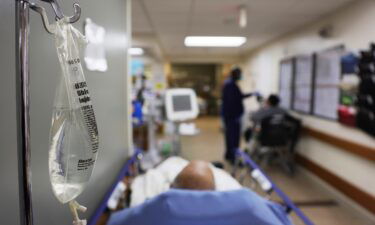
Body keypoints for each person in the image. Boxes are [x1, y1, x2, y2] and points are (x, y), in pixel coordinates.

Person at [221, 67, 256, 163]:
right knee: (233, 139)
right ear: (236, 74)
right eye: (240, 74)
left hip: (231, 116)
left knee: (229, 137)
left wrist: (252, 93)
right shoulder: (230, 85)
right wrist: (235, 117)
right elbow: (232, 101)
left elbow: (239, 96)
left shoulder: (230, 83)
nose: (241, 76)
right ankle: (233, 159)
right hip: (232, 117)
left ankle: (229, 155)